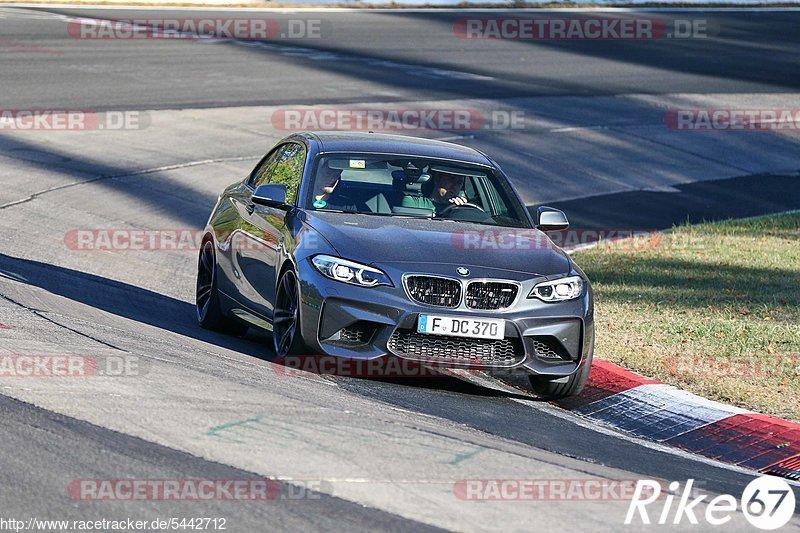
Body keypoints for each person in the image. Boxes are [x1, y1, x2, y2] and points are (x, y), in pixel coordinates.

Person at [401, 166, 469, 215]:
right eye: (451, 179)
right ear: (437, 178)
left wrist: (460, 211)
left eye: (459, 183)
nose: (455, 186)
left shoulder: (460, 209)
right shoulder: (413, 203)